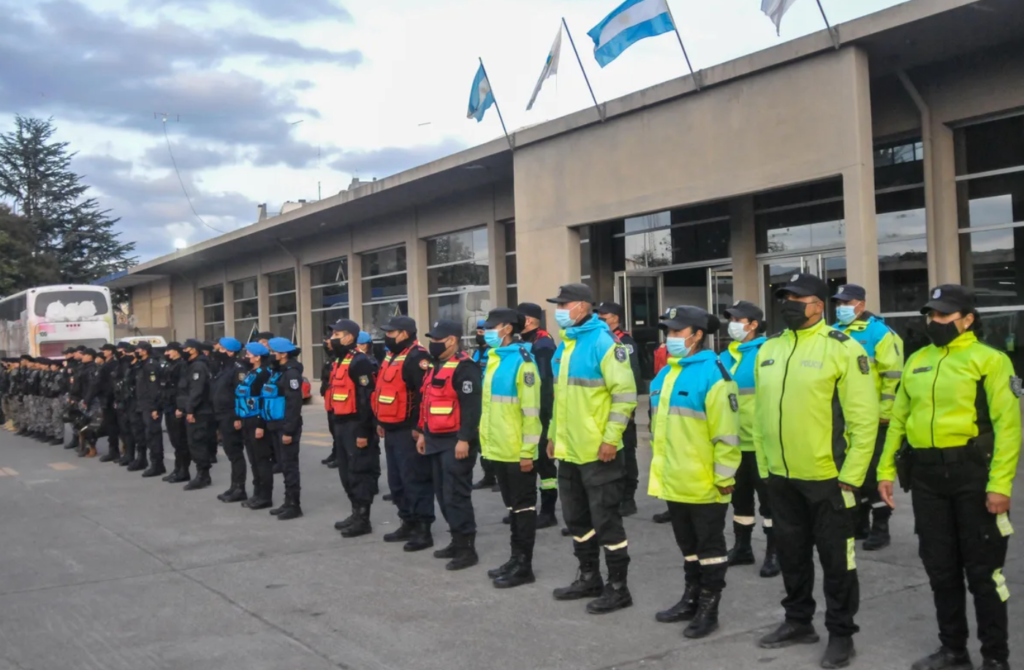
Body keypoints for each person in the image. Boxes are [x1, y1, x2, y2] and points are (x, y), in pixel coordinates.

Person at [878, 285, 1020, 670]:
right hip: (926, 478)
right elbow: (899, 420)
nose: (934, 322)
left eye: (943, 315)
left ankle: (995, 657)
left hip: (972, 476)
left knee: (983, 573)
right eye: (931, 315)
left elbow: (1009, 427)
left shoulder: (989, 360)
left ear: (967, 319)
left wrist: (999, 485)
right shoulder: (918, 360)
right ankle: (953, 650)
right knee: (940, 569)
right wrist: (885, 470)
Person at [753, 273, 879, 669]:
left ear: (819, 304)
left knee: (837, 561)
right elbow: (760, 416)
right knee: (791, 553)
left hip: (829, 477)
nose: (788, 303)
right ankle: (798, 621)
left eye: (797, 297)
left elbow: (863, 418)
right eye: (784, 297)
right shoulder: (769, 349)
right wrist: (764, 465)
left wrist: (853, 475)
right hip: (780, 475)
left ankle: (841, 633)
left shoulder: (843, 349)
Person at [546, 283, 638, 615]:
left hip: (599, 452)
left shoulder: (604, 343)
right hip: (570, 451)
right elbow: (562, 399)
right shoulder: (567, 345)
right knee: (577, 519)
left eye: (565, 304)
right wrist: (554, 435)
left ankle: (618, 587)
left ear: (584, 307)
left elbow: (625, 396)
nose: (559, 309)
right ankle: (588, 576)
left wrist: (611, 439)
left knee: (607, 521)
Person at [650, 306, 741, 639]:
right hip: (674, 477)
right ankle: (690, 596)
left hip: (705, 481)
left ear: (697, 335)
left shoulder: (715, 374)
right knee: (686, 545)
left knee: (710, 548)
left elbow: (727, 434)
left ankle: (709, 606)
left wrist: (724, 477)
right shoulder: (666, 374)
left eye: (677, 332)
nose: (671, 338)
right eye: (669, 332)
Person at [832, 284, 905, 551]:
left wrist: (886, 413)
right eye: (838, 302)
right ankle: (859, 523)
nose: (841, 307)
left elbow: (894, 377)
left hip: (873, 418)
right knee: (851, 473)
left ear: (861, 304)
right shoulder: (833, 332)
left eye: (846, 302)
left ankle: (881, 527)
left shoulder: (881, 334)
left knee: (874, 474)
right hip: (841, 419)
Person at [479, 308, 543, 588]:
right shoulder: (495, 360)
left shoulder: (523, 361)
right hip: (498, 449)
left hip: (518, 452)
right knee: (512, 508)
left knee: (523, 508)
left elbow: (531, 412)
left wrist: (528, 452)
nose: (487, 331)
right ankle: (514, 558)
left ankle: (524, 565)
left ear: (507, 329)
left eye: (492, 327)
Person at [417, 319, 482, 570]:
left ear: (452, 340)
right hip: (434, 438)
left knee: (456, 495)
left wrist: (464, 439)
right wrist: (423, 432)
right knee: (442, 494)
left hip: (456, 441)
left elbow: (471, 408)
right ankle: (456, 540)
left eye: (436, 340)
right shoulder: (435, 366)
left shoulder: (465, 368)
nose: (432, 344)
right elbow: (427, 403)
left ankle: (467, 548)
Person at [719, 300, 778, 578]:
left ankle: (775, 552)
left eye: (737, 319)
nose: (732, 324)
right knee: (740, 501)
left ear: (753, 325)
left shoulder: (768, 352)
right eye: (730, 318)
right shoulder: (725, 356)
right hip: (733, 443)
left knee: (770, 502)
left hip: (762, 443)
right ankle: (742, 547)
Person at [373, 315, 435, 551]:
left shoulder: (417, 358)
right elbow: (385, 391)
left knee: (415, 480)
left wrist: (420, 428)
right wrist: (381, 420)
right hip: (391, 428)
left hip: (409, 431)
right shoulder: (393, 356)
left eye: (392, 333)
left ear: (405, 334)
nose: (387, 337)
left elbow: (424, 396)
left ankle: (423, 529)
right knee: (396, 481)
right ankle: (407, 520)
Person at [326, 320, 380, 537]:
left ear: (350, 337)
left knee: (360, 472)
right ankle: (355, 512)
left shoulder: (360, 362)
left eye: (338, 333)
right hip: (341, 424)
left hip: (356, 425)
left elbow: (367, 399)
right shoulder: (340, 361)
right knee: (346, 473)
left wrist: (363, 432)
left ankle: (363, 519)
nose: (333, 338)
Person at [596, 302, 644, 517]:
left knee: (627, 454)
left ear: (615, 318)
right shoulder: (601, 341)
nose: (600, 320)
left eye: (604, 317)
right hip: (605, 408)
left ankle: (628, 497)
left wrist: (630, 409)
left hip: (623, 408)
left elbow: (631, 376)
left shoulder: (624, 342)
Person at [517, 302, 560, 530]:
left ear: (531, 320)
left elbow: (544, 383)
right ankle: (526, 509)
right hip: (526, 414)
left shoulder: (542, 344)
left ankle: (548, 511)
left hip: (541, 414)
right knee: (526, 462)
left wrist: (543, 418)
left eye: (519, 318)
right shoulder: (524, 342)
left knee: (544, 464)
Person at [264, 337, 305, 520]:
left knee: (290, 467)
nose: (271, 355)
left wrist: (289, 430)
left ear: (283, 354)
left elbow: (294, 404)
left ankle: (294, 505)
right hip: (276, 423)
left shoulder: (291, 373)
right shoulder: (278, 371)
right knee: (283, 464)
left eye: (274, 352)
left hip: (286, 426)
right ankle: (287, 502)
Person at [236, 342, 274, 510]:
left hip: (257, 421)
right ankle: (257, 493)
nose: (247, 356)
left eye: (249, 354)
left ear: (258, 357)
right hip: (247, 419)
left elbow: (264, 400)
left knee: (262, 459)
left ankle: (265, 496)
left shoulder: (264, 374)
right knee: (253, 459)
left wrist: (260, 424)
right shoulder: (252, 373)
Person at [212, 337, 249, 502]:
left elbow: (240, 393)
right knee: (229, 451)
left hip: (230, 415)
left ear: (230, 351)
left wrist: (238, 416)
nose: (217, 352)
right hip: (221, 414)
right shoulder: (224, 367)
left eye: (221, 349)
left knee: (235, 452)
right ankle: (233, 486)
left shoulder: (238, 368)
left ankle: (240, 488)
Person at [179, 339, 214, 491]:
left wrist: (190, 409)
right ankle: (201, 473)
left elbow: (196, 391)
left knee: (197, 442)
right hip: (196, 409)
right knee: (193, 442)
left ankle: (203, 475)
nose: (183, 351)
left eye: (185, 349)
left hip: (200, 411)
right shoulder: (191, 365)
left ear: (193, 350)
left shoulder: (198, 366)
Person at [471, 318, 498, 492]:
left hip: (493, 401)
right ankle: (489, 476)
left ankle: (499, 476)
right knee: (482, 441)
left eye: (483, 332)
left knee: (494, 439)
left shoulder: (496, 352)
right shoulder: (477, 352)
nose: (480, 336)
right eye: (478, 332)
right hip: (479, 400)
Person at [135, 341, 166, 478]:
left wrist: (154, 407)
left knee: (153, 435)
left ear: (145, 350)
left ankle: (157, 464)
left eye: (139, 349)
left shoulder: (151, 365)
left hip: (150, 405)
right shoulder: (143, 364)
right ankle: (154, 463)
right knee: (148, 434)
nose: (137, 351)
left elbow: (154, 388)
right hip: (144, 404)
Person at [161, 343, 191, 483]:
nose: (167, 353)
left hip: (176, 406)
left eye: (170, 351)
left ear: (177, 352)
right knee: (174, 440)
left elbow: (182, 389)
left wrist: (181, 407)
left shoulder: (182, 366)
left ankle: (184, 470)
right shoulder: (171, 365)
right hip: (168, 405)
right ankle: (177, 469)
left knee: (180, 441)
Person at [97, 345, 121, 462]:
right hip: (105, 398)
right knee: (111, 425)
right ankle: (114, 449)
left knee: (112, 426)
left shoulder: (112, 365)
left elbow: (110, 384)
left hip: (110, 398)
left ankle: (114, 451)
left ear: (111, 352)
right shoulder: (105, 364)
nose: (103, 352)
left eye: (105, 350)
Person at [319, 335, 339, 469]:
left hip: (338, 399)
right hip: (329, 397)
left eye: (328, 343)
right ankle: (335, 452)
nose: (327, 345)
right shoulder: (330, 358)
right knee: (333, 428)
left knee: (338, 430)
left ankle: (339, 455)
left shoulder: (340, 358)